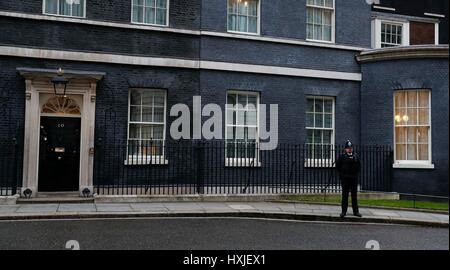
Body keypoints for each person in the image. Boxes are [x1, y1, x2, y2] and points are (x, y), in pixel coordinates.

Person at [336, 140, 362, 218]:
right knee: (345, 195)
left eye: (351, 148)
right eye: (348, 148)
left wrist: (355, 174)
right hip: (345, 179)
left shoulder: (356, 156)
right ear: (345, 149)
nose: (350, 149)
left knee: (354, 196)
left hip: (354, 178)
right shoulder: (342, 156)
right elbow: (338, 167)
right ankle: (344, 211)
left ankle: (356, 211)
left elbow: (359, 166)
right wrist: (343, 174)